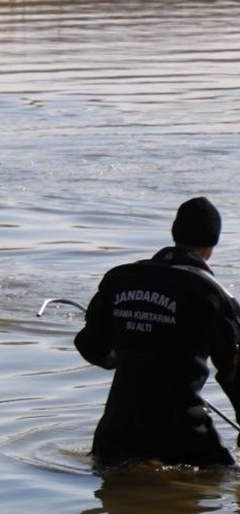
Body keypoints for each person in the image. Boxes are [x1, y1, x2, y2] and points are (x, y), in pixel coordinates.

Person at [74, 196, 240, 469]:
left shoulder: (119, 278)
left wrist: (123, 357)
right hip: (182, 434)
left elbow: (91, 346)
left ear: (174, 234)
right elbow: (235, 374)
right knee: (220, 483)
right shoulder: (213, 294)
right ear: (212, 245)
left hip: (116, 432)